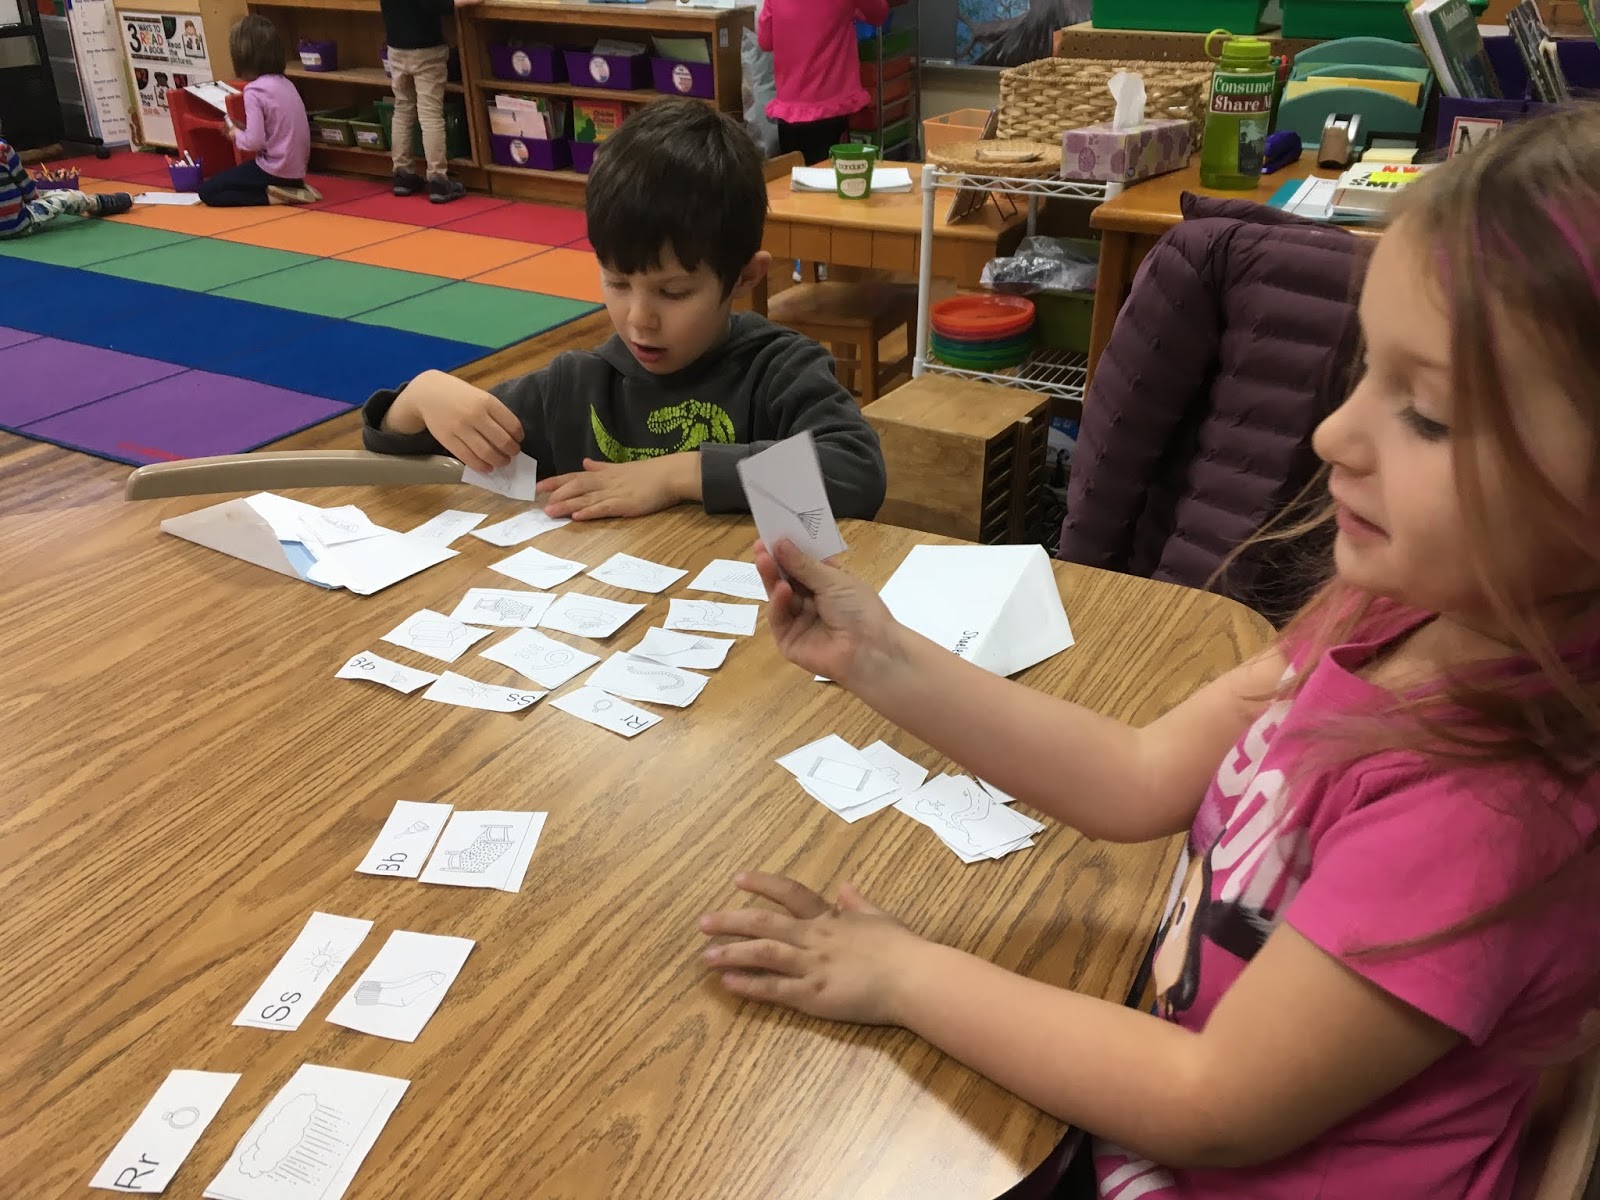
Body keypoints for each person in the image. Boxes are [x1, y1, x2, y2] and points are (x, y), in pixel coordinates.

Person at [700, 107, 1600, 1200]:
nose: (1330, 438)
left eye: (1424, 415)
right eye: (1367, 373)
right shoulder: (1387, 616)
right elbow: (1135, 778)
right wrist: (876, 652)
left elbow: (1207, 1100)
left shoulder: (1487, 810)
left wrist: (901, 972)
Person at [362, 100, 886, 522]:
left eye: (674, 292)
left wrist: (677, 475)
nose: (639, 319)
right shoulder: (576, 386)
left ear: (745, 278)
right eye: (616, 282)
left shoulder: (777, 370)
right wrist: (418, 398)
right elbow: (403, 464)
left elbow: (856, 472)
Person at [198, 16, 318, 208]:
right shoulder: (286, 83)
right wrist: (244, 129)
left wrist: (234, 133)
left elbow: (254, 142)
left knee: (208, 191)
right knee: (235, 179)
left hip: (273, 170)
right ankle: (291, 188)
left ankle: (273, 196)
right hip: (296, 171)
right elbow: (274, 131)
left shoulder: (254, 90)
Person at [758, 0, 887, 164]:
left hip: (790, 109)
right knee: (832, 177)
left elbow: (766, 41)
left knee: (796, 178)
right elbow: (879, 13)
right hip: (831, 106)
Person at [381, 0, 478, 203]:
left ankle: (402, 173)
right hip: (425, 47)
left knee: (402, 109)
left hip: (396, 45)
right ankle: (437, 178)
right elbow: (433, 4)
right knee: (430, 114)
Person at [1, 137, 131, 238]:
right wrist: (34, 197)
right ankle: (96, 203)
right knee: (67, 196)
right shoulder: (3, 149)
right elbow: (28, 190)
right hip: (15, 225)